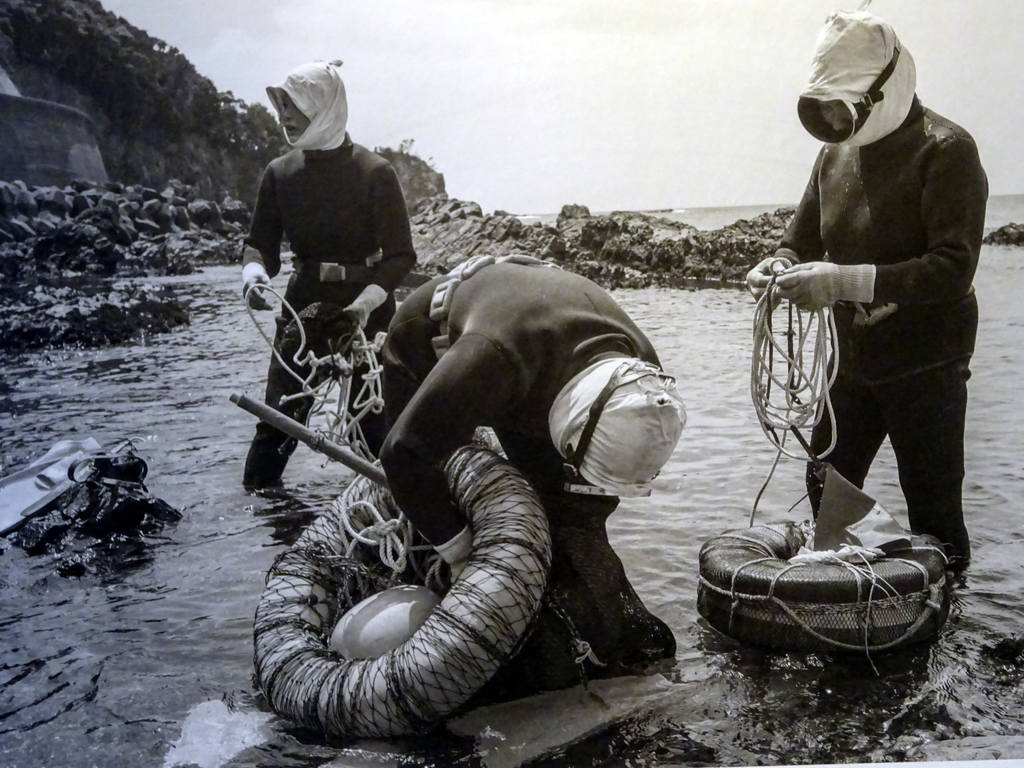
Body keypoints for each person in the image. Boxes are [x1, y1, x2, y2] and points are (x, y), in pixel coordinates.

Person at [379, 255, 687, 699]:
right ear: (566, 432)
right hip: (432, 344)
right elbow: (400, 455)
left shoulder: (643, 381)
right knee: (425, 499)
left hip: (540, 361)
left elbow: (593, 492)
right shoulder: (493, 356)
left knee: (570, 514)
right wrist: (466, 556)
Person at [746, 10, 987, 566]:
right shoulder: (835, 152)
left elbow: (954, 267)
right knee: (824, 483)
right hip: (850, 361)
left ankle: (948, 635)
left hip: (926, 363)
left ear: (887, 86)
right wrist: (775, 265)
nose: (834, 120)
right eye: (824, 109)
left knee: (934, 509)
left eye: (841, 107)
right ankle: (864, 597)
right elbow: (798, 241)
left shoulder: (947, 150)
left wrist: (843, 281)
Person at [241, 60, 416, 489]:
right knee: (277, 428)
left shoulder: (376, 173)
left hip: (367, 312)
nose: (284, 116)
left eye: (293, 105)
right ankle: (264, 534)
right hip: (303, 311)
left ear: (324, 107)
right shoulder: (279, 174)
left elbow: (400, 256)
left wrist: (362, 307)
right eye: (281, 106)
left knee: (375, 432)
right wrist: (253, 275)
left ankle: (396, 521)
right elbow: (260, 243)